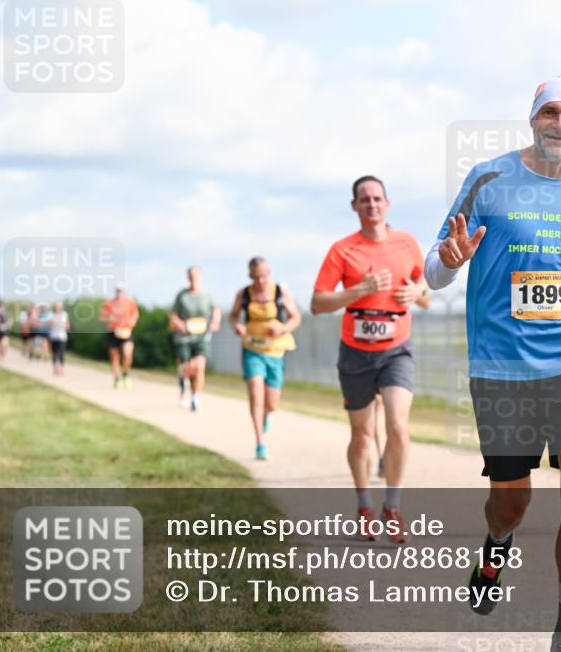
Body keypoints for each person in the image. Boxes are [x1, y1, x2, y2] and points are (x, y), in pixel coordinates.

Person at [425, 75, 561, 652]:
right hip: (502, 366)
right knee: (511, 502)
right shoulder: (489, 179)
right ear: (532, 118)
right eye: (551, 112)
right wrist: (450, 260)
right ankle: (497, 545)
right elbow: (434, 269)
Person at [311, 175, 430, 543]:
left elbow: (426, 292)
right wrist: (360, 290)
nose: (372, 204)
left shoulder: (407, 243)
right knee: (362, 435)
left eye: (377, 198)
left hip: (397, 349)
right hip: (356, 352)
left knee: (397, 425)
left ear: (387, 204)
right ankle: (364, 506)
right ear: (354, 206)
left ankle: (392, 506)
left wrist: (416, 292)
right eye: (364, 199)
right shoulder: (342, 250)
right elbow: (318, 303)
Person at [228, 257, 301, 460]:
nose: (261, 280)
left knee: (271, 404)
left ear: (270, 273)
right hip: (252, 349)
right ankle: (260, 442)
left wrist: (283, 328)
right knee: (255, 392)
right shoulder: (243, 294)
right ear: (250, 275)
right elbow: (233, 315)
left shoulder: (280, 292)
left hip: (275, 351)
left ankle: (266, 416)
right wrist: (237, 326)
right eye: (257, 276)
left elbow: (296, 318)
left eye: (264, 275)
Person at [169, 266, 221, 411]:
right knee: (186, 367)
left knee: (199, 366)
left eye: (196, 275)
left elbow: (215, 311)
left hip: (202, 337)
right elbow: (173, 315)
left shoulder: (207, 296)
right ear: (188, 277)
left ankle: (195, 397)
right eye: (191, 276)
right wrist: (180, 324)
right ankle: (183, 382)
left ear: (201, 277)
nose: (194, 278)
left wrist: (215, 322)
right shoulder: (182, 296)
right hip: (184, 338)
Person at [100, 283, 140, 388]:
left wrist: (132, 323)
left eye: (121, 291)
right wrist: (110, 318)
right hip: (113, 332)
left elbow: (135, 315)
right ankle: (117, 379)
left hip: (126, 332)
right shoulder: (109, 303)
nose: (119, 293)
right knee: (114, 357)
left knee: (128, 355)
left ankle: (125, 375)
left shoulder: (130, 302)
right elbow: (102, 317)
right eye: (118, 291)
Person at [47, 301, 70, 375]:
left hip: (62, 336)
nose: (58, 308)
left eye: (60, 307)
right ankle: (55, 368)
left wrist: (66, 327)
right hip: (54, 336)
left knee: (61, 353)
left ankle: (61, 368)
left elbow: (67, 325)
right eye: (57, 307)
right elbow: (49, 325)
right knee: (54, 353)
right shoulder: (51, 315)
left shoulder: (64, 314)